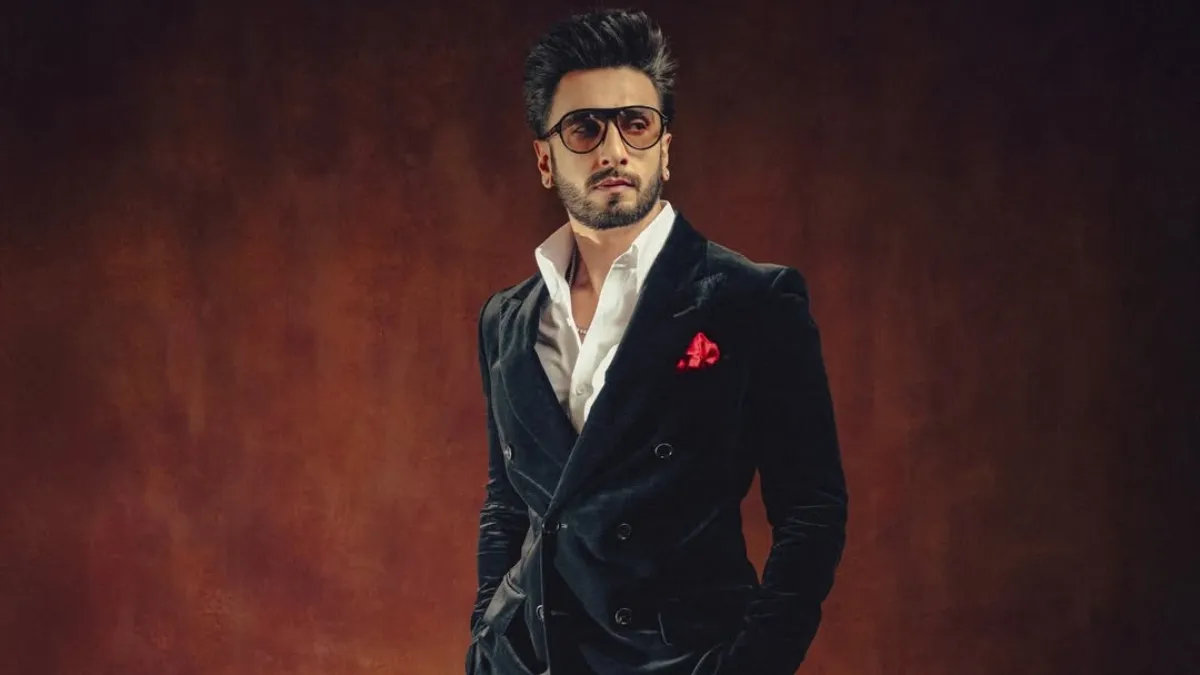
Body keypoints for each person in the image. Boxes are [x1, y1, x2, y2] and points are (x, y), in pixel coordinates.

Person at [466, 9, 847, 675]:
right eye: (584, 127)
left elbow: (811, 511)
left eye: (635, 124)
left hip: (680, 659)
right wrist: (484, 639)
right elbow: (508, 506)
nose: (613, 149)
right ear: (545, 160)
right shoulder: (506, 319)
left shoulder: (750, 300)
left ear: (664, 147)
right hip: (529, 661)